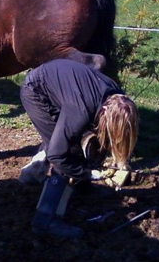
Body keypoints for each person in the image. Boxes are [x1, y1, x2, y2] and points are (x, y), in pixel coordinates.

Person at [19, 59, 139, 238]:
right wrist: (89, 173)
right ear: (104, 115)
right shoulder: (80, 110)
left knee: (72, 143)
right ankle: (44, 220)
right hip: (36, 90)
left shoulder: (117, 96)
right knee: (65, 151)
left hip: (60, 84)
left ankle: (79, 187)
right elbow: (57, 155)